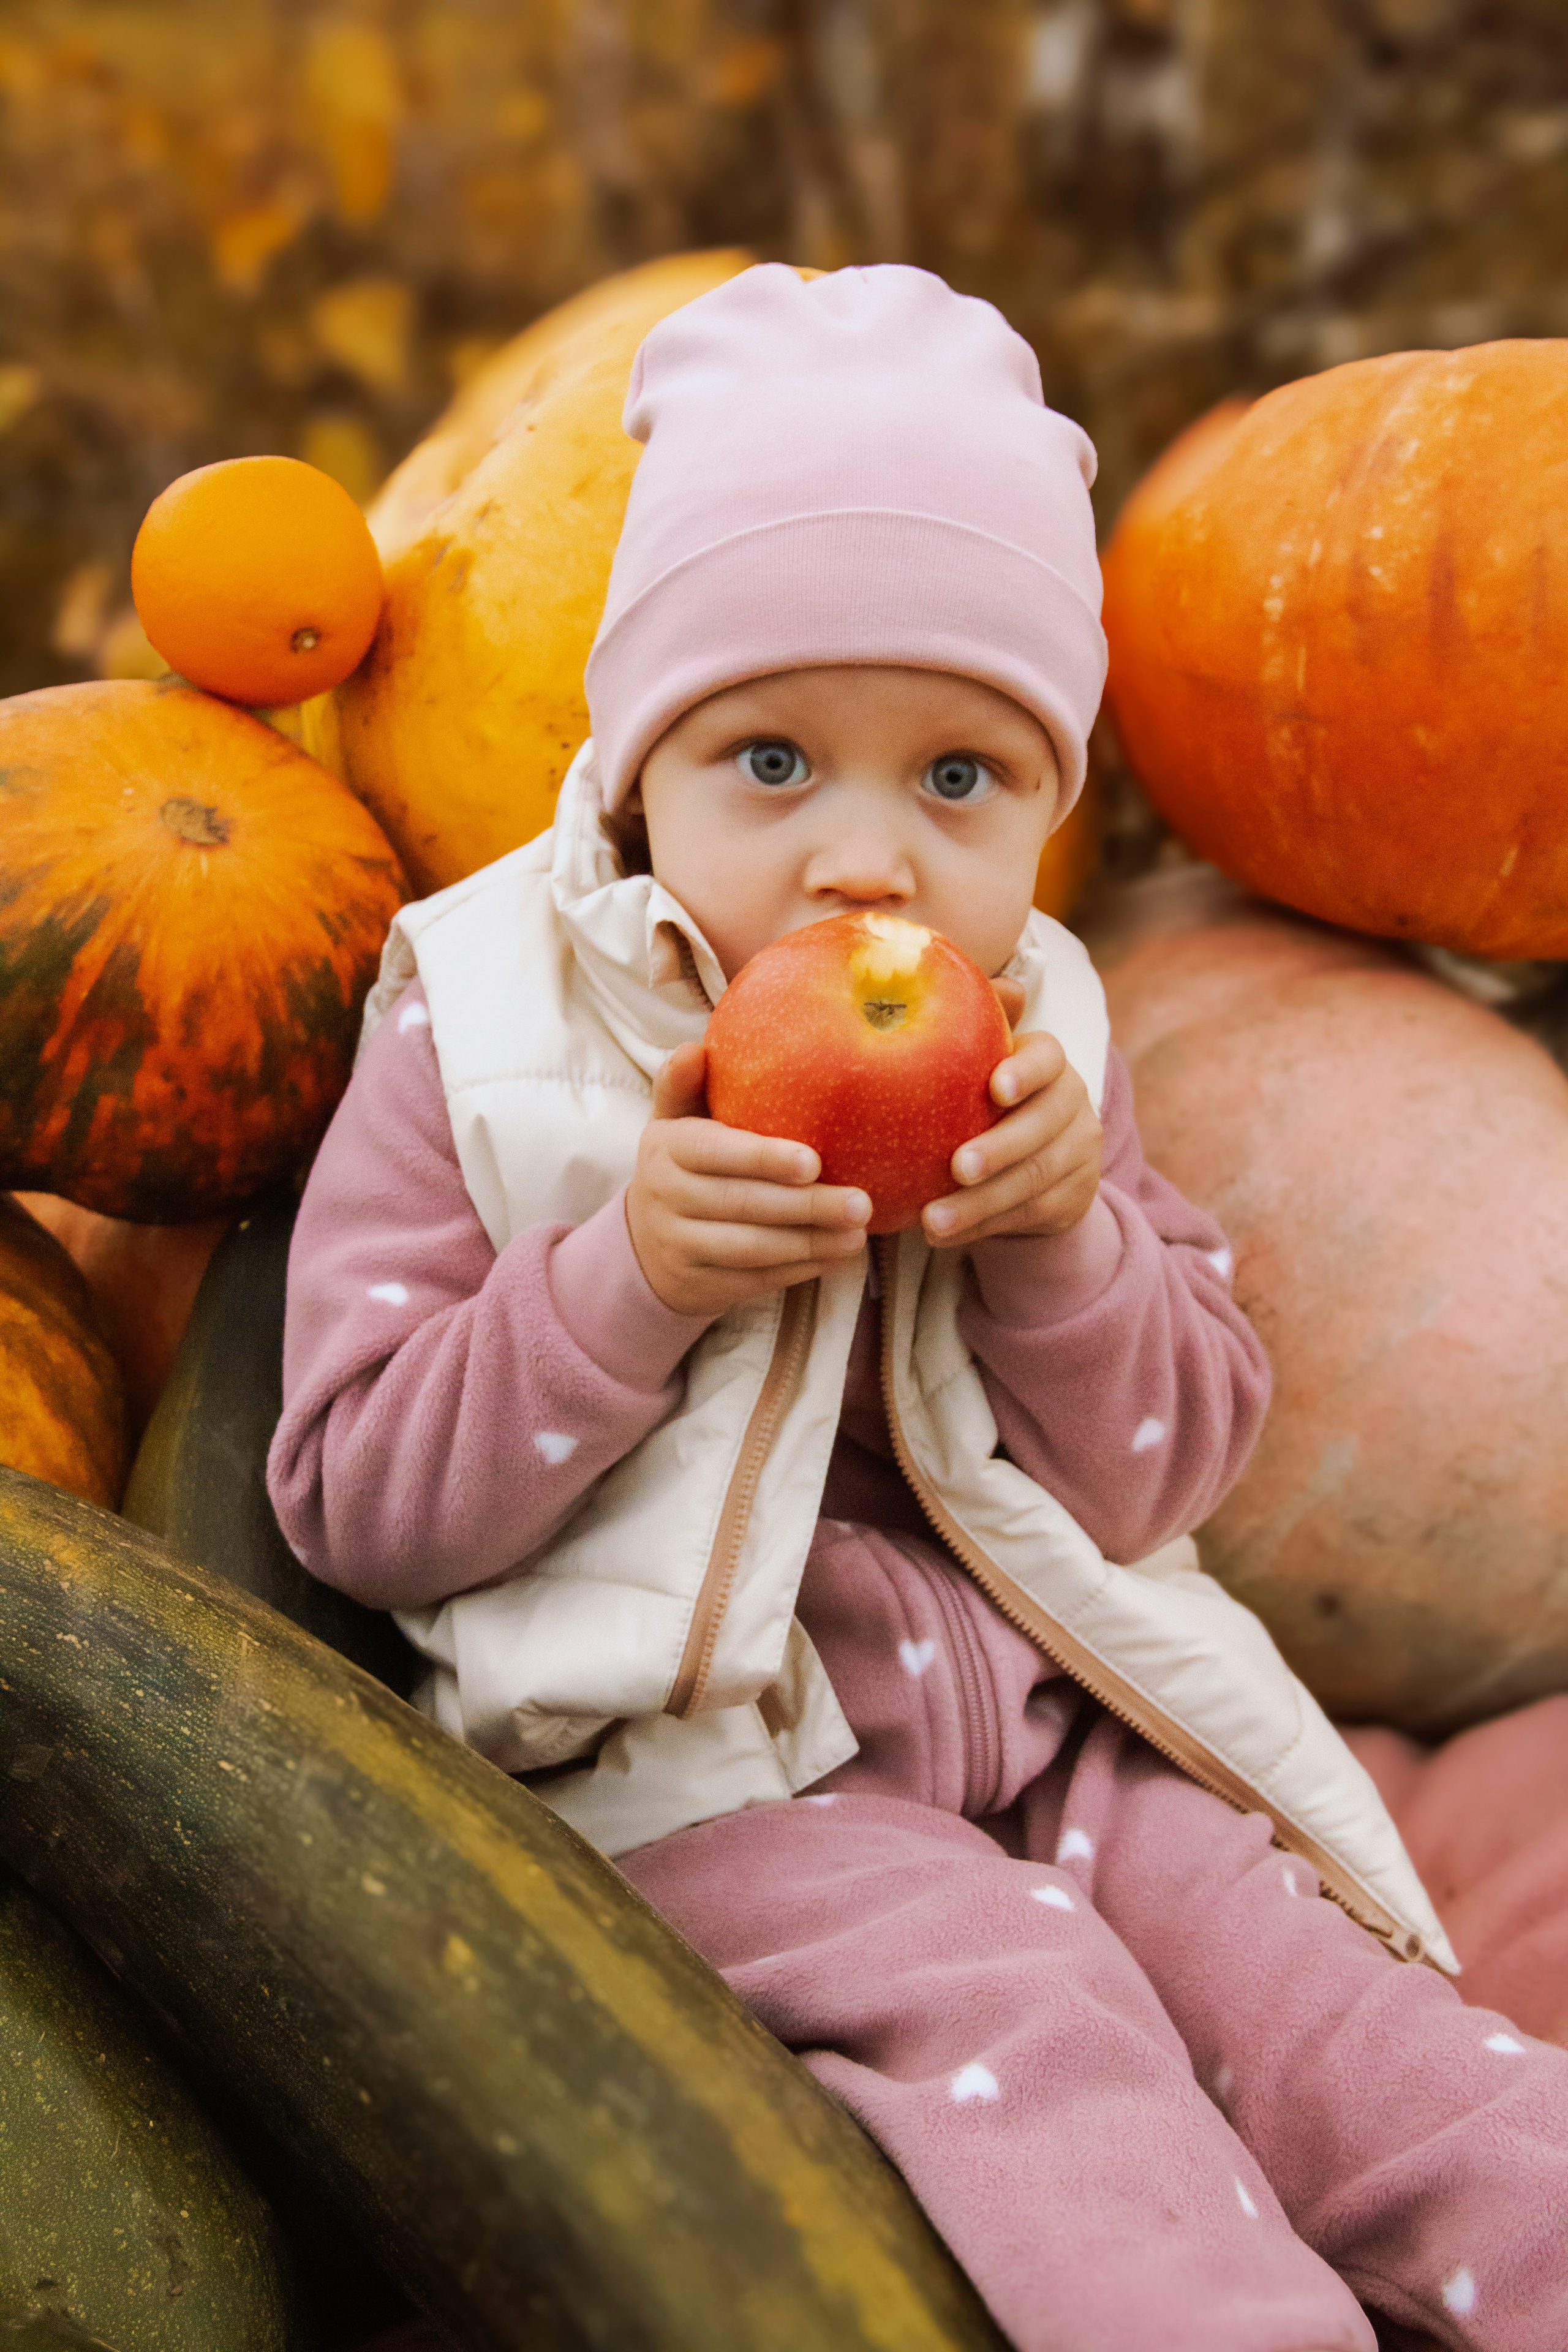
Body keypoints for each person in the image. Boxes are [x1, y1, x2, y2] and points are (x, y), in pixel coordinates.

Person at [268, 265, 1568, 2352]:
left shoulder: (1034, 1028)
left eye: (958, 779)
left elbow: (1166, 1471)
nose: (865, 864)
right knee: (1032, 2032)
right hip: (711, 1790)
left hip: (1051, 1731)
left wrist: (1067, 1244)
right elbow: (356, 1506)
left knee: (1345, 2021)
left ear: (1049, 808)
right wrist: (626, 1284)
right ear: (638, 757)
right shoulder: (488, 1026)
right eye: (774, 759)